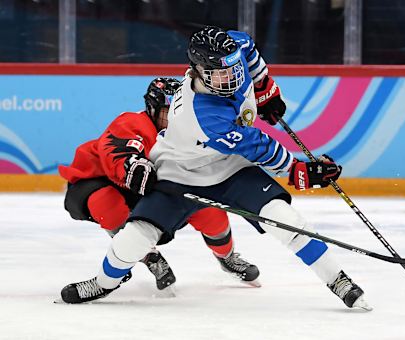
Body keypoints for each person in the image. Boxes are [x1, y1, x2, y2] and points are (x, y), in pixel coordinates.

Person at [61, 26, 370, 311]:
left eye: (234, 70)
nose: (232, 79)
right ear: (199, 72)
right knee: (135, 236)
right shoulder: (203, 113)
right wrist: (297, 171)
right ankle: (102, 284)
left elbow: (249, 50)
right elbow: (256, 145)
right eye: (221, 75)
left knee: (284, 218)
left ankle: (338, 279)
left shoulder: (232, 50)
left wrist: (264, 90)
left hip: (230, 168)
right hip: (181, 175)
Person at [58, 77, 259, 295]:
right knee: (105, 202)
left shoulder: (191, 133)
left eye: (179, 112)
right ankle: (146, 257)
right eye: (168, 111)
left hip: (152, 189)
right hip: (103, 181)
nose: (174, 119)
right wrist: (132, 164)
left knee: (209, 211)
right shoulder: (132, 122)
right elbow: (115, 151)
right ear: (153, 109)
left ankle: (227, 257)